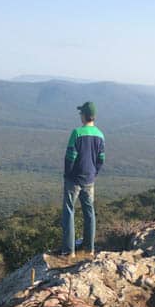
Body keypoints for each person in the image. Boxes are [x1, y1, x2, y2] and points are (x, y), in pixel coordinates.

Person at [60, 101, 105, 257]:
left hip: (74, 179)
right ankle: (89, 249)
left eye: (81, 113)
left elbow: (70, 157)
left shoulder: (77, 133)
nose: (80, 115)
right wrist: (94, 173)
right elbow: (101, 159)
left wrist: (67, 174)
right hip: (90, 180)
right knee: (89, 212)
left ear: (85, 115)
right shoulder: (100, 135)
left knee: (69, 212)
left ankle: (68, 251)